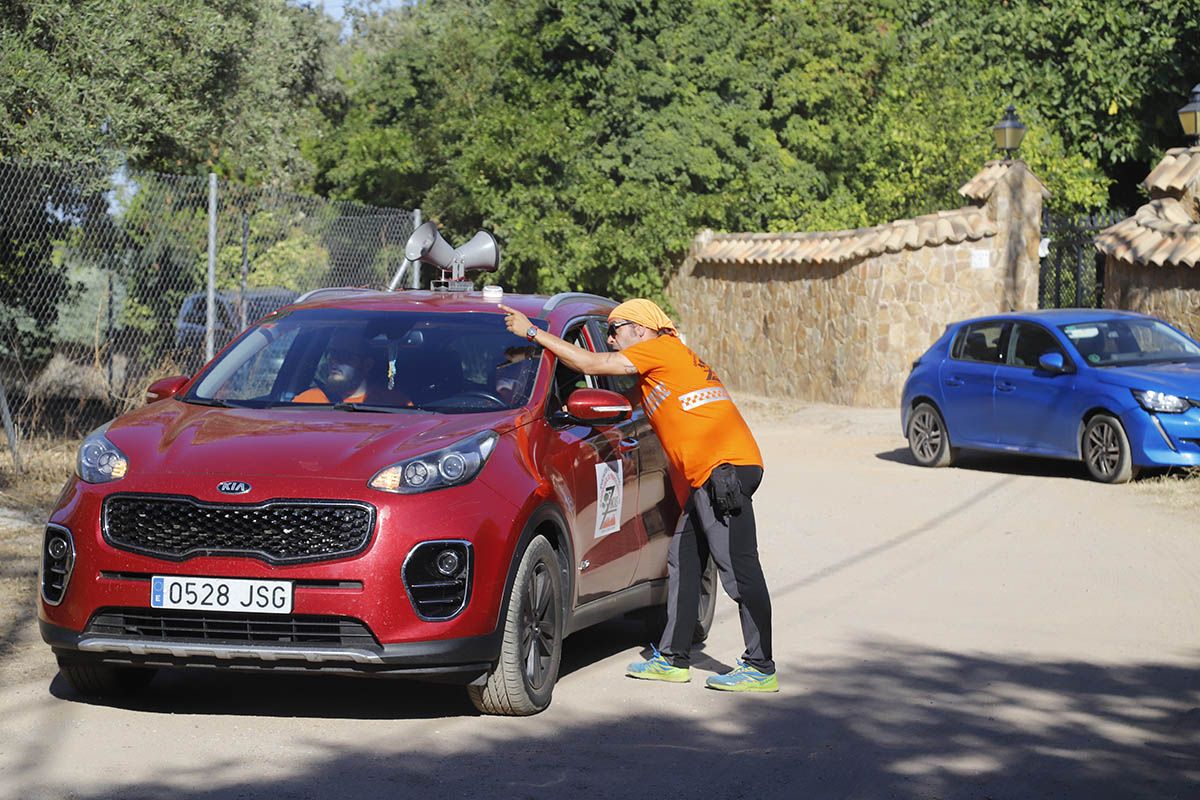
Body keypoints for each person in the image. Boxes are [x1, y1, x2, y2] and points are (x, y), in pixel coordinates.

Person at [500, 299, 777, 692]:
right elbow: (613, 401)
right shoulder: (659, 370)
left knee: (740, 569)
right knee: (682, 561)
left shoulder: (660, 349)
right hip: (707, 477)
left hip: (723, 472)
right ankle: (673, 658)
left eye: (616, 329)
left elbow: (592, 365)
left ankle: (761, 665)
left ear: (642, 330)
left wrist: (533, 332)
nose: (610, 338)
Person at [294, 329, 371, 404]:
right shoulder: (308, 400)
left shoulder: (379, 402)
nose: (334, 361)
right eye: (332, 354)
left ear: (367, 365)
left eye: (344, 355)